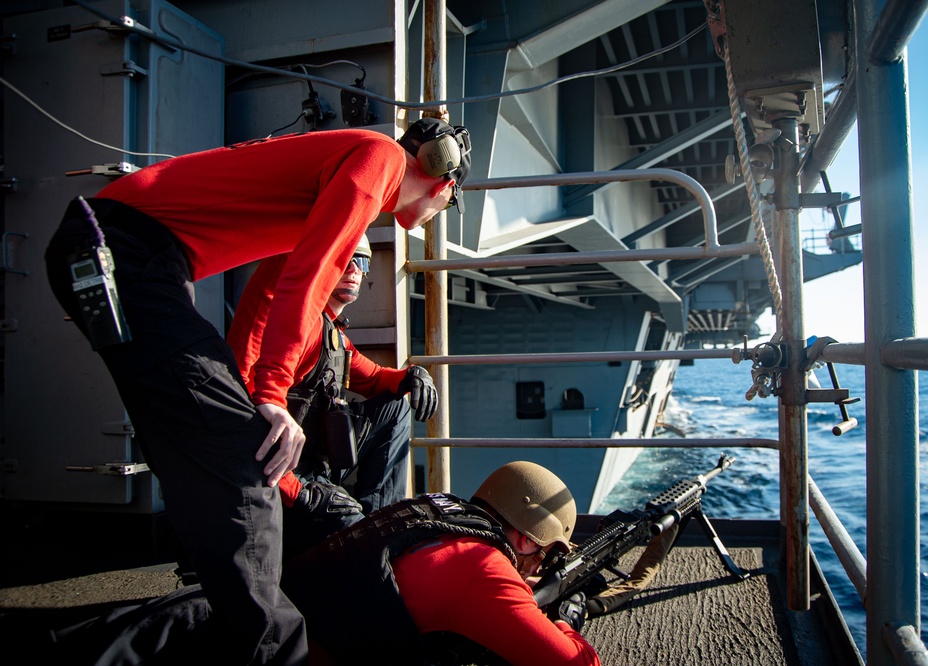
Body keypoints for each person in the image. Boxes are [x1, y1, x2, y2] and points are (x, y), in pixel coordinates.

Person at [43, 118, 472, 665]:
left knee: (203, 463)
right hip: (125, 252)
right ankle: (278, 655)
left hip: (127, 256)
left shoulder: (352, 171)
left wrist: (393, 380)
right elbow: (310, 277)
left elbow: (274, 290)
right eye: (449, 203)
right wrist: (270, 394)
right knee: (244, 466)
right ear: (443, 181)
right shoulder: (380, 159)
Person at [227, 233, 439, 559]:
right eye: (346, 259)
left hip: (314, 467)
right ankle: (366, 538)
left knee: (395, 406)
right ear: (324, 264)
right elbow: (242, 412)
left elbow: (373, 377)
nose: (355, 269)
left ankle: (376, 520)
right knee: (352, 534)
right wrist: (299, 492)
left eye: (363, 262)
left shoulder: (330, 330)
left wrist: (411, 377)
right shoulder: (294, 322)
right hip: (282, 480)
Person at [282, 461, 600, 665]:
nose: (535, 568)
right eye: (542, 555)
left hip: (283, 630)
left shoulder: (438, 510)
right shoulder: (483, 568)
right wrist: (563, 621)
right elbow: (576, 663)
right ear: (527, 539)